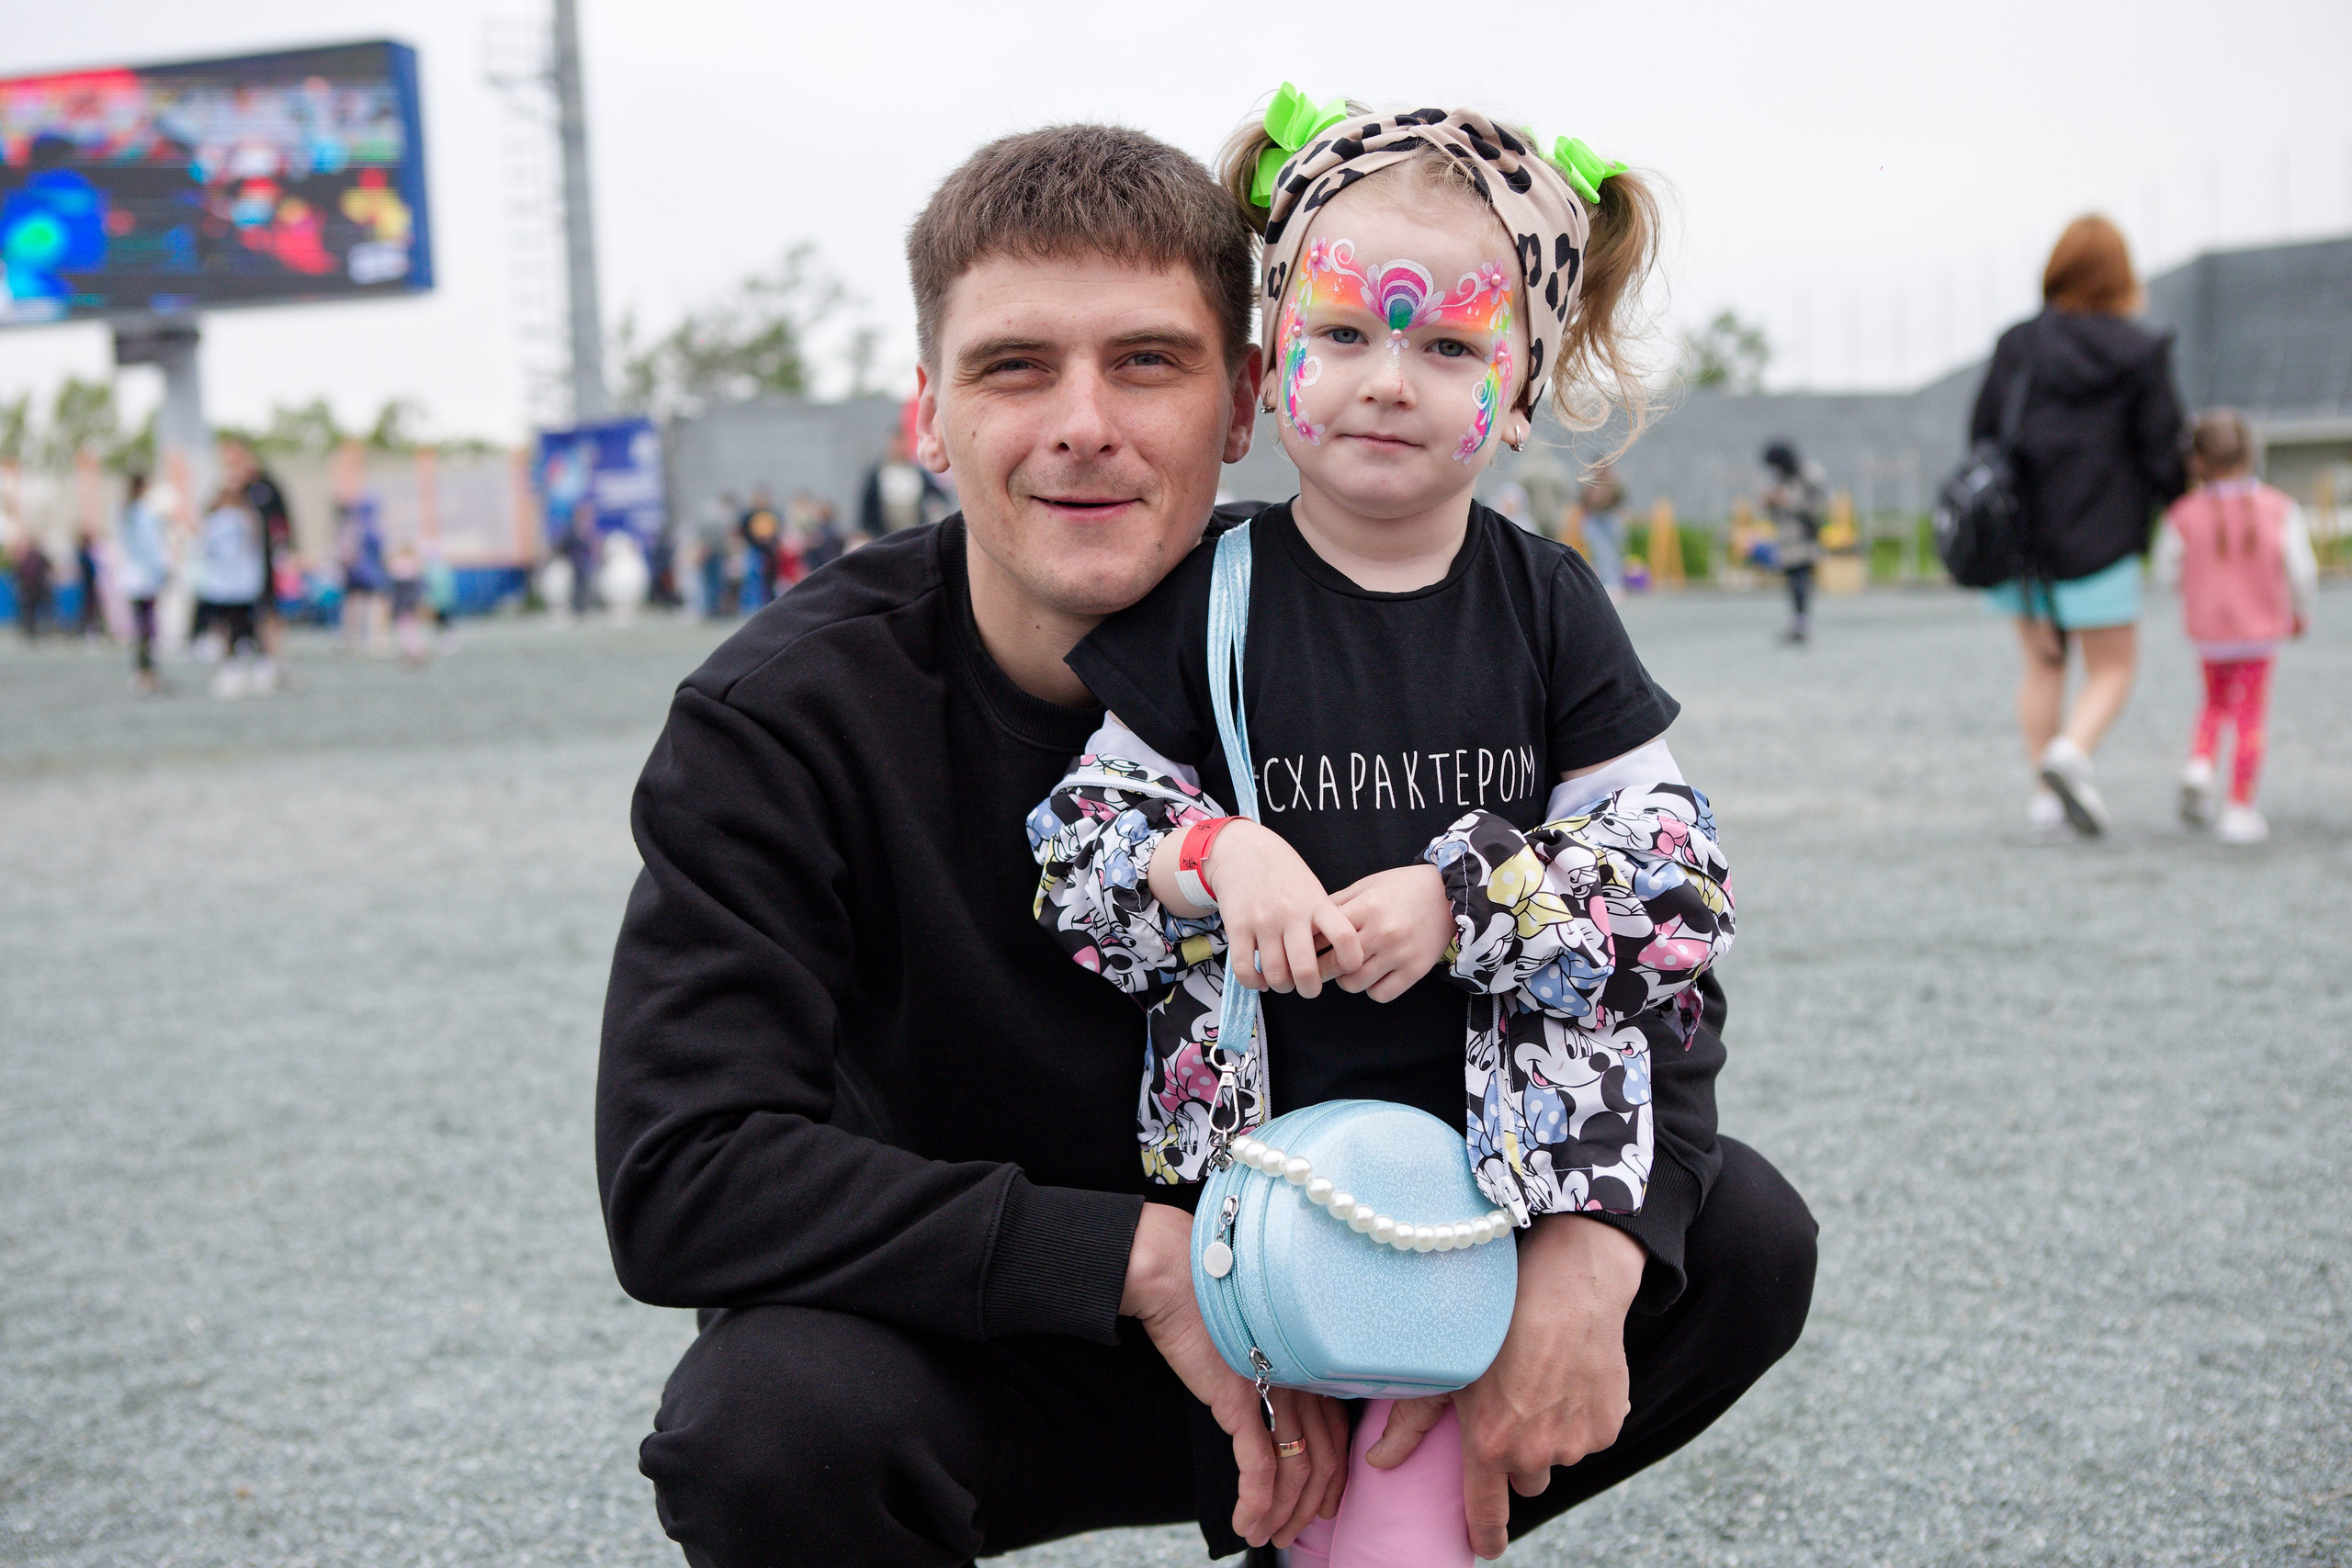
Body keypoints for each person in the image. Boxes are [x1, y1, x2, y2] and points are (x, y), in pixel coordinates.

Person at [598, 122, 1815, 1568]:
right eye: (1013, 367)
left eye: (1147, 361)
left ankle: (1381, 1512)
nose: (1083, 424)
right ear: (926, 411)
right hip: (1025, 1342)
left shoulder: (1408, 615)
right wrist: (1130, 1262)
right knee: (769, 1421)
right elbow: (684, 1170)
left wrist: (1595, 1246)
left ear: (1242, 395)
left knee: (1732, 1235)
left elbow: (1649, 964)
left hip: (1365, 1296)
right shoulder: (779, 718)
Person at [1027, 98, 1738, 1568]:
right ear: (1269, 351)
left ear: (1527, 387)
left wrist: (1464, 897)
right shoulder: (1207, 601)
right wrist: (1215, 854)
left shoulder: (1548, 609)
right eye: (1345, 331)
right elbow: (1075, 848)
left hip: (1493, 1206)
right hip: (1265, 1201)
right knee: (1312, 1521)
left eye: (1450, 345)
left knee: (1399, 1535)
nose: (1388, 380)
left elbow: (1677, 885)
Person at [1971, 215, 2187, 838]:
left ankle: (2045, 794)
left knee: (2043, 666)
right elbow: (2162, 449)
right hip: (2104, 532)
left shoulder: (2018, 343)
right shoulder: (2142, 349)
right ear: (2122, 276)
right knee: (2113, 667)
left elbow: (1982, 430)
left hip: (2023, 538)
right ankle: (2073, 751)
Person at [2154, 410, 2317, 846]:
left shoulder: (2184, 513)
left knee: (2212, 703)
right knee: (2250, 716)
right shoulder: (2279, 508)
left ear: (2199, 459)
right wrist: (2300, 610)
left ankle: (2200, 764)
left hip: (2209, 631)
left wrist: (2193, 591)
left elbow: (2167, 571)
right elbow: (2300, 570)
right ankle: (2239, 807)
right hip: (2260, 629)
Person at [193, 485, 272, 697]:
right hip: (245, 585)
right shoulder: (248, 519)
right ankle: (262, 670)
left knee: (225, 629)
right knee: (250, 629)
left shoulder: (216, 521)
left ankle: (232, 672)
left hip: (222, 586)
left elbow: (202, 549)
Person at [1759, 441, 1824, 643]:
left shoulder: (1809, 475)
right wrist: (1771, 504)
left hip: (1805, 536)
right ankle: (1797, 623)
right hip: (1788, 539)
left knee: (1801, 580)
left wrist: (1784, 500)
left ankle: (1802, 624)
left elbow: (1815, 506)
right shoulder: (1781, 478)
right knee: (1792, 582)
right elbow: (1774, 513)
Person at [117, 470, 172, 694]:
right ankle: (148, 672)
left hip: (132, 576)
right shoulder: (144, 513)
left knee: (140, 626)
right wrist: (162, 570)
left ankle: (142, 671)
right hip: (146, 578)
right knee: (148, 627)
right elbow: (151, 547)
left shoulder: (124, 511)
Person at [859, 428, 949, 536]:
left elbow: (936, 496)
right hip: (884, 535)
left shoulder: (918, 473)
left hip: (914, 533)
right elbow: (868, 504)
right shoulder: (878, 473)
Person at [338, 496, 390, 653]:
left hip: (355, 573)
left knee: (353, 604)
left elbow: (346, 552)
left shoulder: (354, 527)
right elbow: (383, 553)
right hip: (373, 573)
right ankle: (376, 640)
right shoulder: (376, 528)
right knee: (374, 605)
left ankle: (351, 639)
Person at [1577, 461, 1627, 594]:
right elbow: (1581, 499)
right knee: (1599, 551)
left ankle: (1615, 582)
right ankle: (1606, 582)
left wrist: (1607, 496)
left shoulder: (1614, 480)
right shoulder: (1589, 480)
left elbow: (1622, 496)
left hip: (1609, 517)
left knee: (1614, 551)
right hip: (1594, 518)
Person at [736, 488, 782, 611]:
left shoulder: (772, 513)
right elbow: (741, 531)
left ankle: (766, 605)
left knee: (768, 579)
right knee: (753, 577)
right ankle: (750, 606)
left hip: (769, 551)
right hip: (754, 550)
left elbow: (777, 531)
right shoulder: (748, 514)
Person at [14, 536, 51, 643]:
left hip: (33, 588)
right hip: (34, 588)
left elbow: (19, 573)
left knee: (32, 611)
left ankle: (34, 631)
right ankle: (34, 631)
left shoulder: (29, 557)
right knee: (33, 611)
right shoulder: (31, 557)